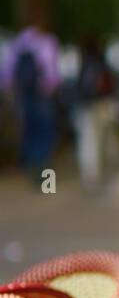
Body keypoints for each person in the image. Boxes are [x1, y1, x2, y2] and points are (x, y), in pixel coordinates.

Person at [0, 24, 61, 185]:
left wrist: (9, 88)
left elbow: (8, 70)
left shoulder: (18, 44)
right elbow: (52, 69)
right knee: (45, 131)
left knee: (29, 130)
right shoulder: (47, 41)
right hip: (42, 93)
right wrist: (51, 86)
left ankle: (33, 169)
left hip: (25, 94)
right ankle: (45, 176)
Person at [74, 33, 119, 191]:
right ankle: (105, 173)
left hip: (89, 106)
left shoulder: (84, 62)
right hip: (103, 104)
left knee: (90, 141)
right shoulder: (101, 61)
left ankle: (92, 175)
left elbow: (80, 87)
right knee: (106, 140)